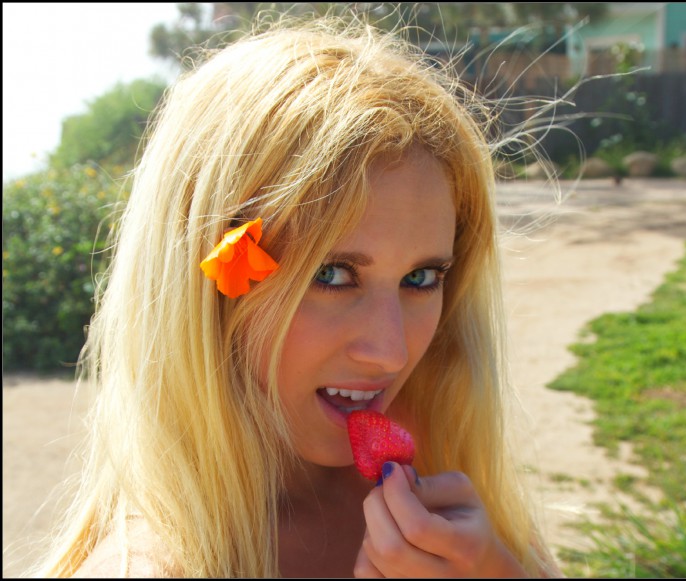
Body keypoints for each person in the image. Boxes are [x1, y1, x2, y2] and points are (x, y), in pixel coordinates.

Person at [31, 13, 562, 578]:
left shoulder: (455, 499)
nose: (390, 353)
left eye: (420, 279)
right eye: (331, 275)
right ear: (208, 288)